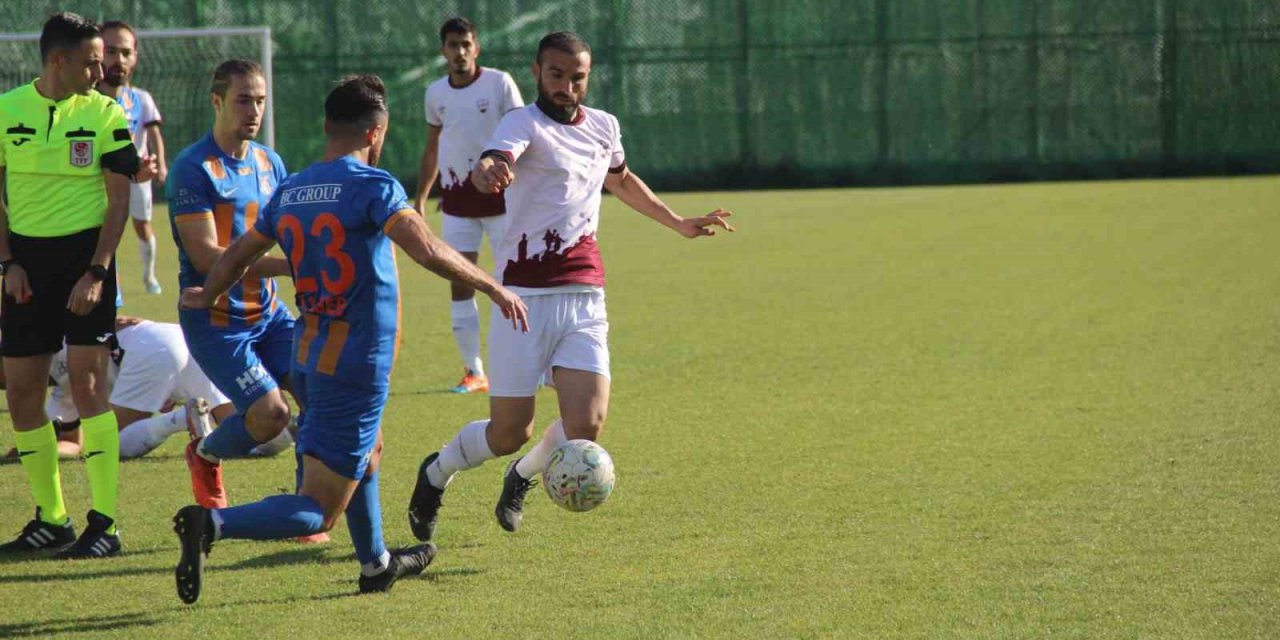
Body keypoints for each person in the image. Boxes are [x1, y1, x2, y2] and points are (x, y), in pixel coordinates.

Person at [171, 74, 528, 603]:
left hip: (310, 350)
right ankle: (210, 525)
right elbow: (427, 248)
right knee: (318, 507)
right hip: (355, 362)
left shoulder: (292, 189)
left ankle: (375, 563)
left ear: (325, 128)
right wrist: (491, 285)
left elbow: (240, 252)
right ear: (377, 132)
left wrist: (206, 293)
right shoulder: (374, 186)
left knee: (370, 451)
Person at [408, 32, 733, 542]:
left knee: (587, 424)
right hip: (523, 299)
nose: (567, 86)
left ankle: (520, 476)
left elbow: (621, 180)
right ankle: (436, 472)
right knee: (509, 431)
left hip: (585, 295)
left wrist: (677, 222)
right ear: (537, 72)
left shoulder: (604, 126)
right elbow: (495, 159)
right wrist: (489, 170)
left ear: (588, 76)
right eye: (556, 75)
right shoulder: (521, 122)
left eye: (577, 77)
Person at [0, 12, 141, 558]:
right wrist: (8, 262)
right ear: (58, 60)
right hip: (25, 267)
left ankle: (104, 524)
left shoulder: (107, 111)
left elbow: (120, 197)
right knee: (23, 391)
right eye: (90, 61)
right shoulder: (8, 109)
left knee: (87, 387)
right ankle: (52, 519)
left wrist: (99, 271)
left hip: (86, 261)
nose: (101, 68)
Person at [166, 59, 296, 511]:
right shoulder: (192, 168)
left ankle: (310, 503)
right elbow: (206, 258)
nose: (254, 110)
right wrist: (289, 267)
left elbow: (292, 229)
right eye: (244, 100)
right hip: (216, 320)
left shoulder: (269, 161)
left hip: (271, 315)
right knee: (270, 415)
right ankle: (205, 453)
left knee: (321, 395)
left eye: (260, 100)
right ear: (217, 101)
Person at [2, 316, 292, 461]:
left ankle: (181, 419)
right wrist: (37, 452)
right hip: (174, 336)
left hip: (150, 349)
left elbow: (83, 441)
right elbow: (72, 442)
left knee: (106, 443)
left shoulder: (50, 349)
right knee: (254, 432)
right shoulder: (60, 383)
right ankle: (301, 430)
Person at [415, 16, 524, 394]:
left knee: (518, 281)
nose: (459, 52)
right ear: (442, 50)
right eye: (452, 45)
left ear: (476, 48)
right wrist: (421, 198)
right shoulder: (435, 94)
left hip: (503, 199)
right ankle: (474, 371)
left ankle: (532, 362)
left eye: (465, 44)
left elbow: (523, 134)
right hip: (458, 204)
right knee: (460, 283)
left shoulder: (500, 83)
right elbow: (432, 149)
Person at [97, 20, 166, 294]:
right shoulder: (80, 103)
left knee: (141, 225)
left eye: (125, 52)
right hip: (95, 181)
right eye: (110, 51)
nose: (118, 59)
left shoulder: (142, 98)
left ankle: (149, 276)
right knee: (98, 233)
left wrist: (160, 163)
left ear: (135, 57)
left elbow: (154, 134)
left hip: (136, 175)